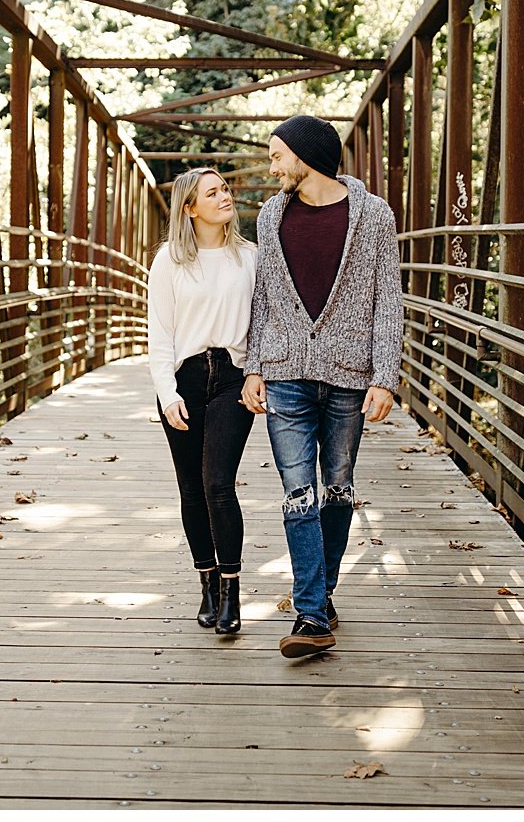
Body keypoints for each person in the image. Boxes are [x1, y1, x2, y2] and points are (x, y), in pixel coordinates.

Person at [240, 115, 403, 658]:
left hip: (350, 375)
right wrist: (255, 367)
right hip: (285, 372)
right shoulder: (269, 216)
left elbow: (388, 304)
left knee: (336, 487)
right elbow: (262, 299)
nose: (272, 166)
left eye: (276, 155)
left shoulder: (374, 216)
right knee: (297, 492)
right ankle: (310, 613)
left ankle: (324, 594)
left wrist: (385, 377)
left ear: (306, 156)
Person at [147, 167, 258, 635]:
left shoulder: (251, 257)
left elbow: (266, 324)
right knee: (191, 488)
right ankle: (207, 583)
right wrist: (167, 394)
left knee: (218, 483)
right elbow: (159, 336)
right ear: (189, 208)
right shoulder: (169, 262)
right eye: (212, 193)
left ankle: (232, 590)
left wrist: (257, 374)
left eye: (225, 189)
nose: (224, 196)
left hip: (233, 379)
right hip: (183, 381)